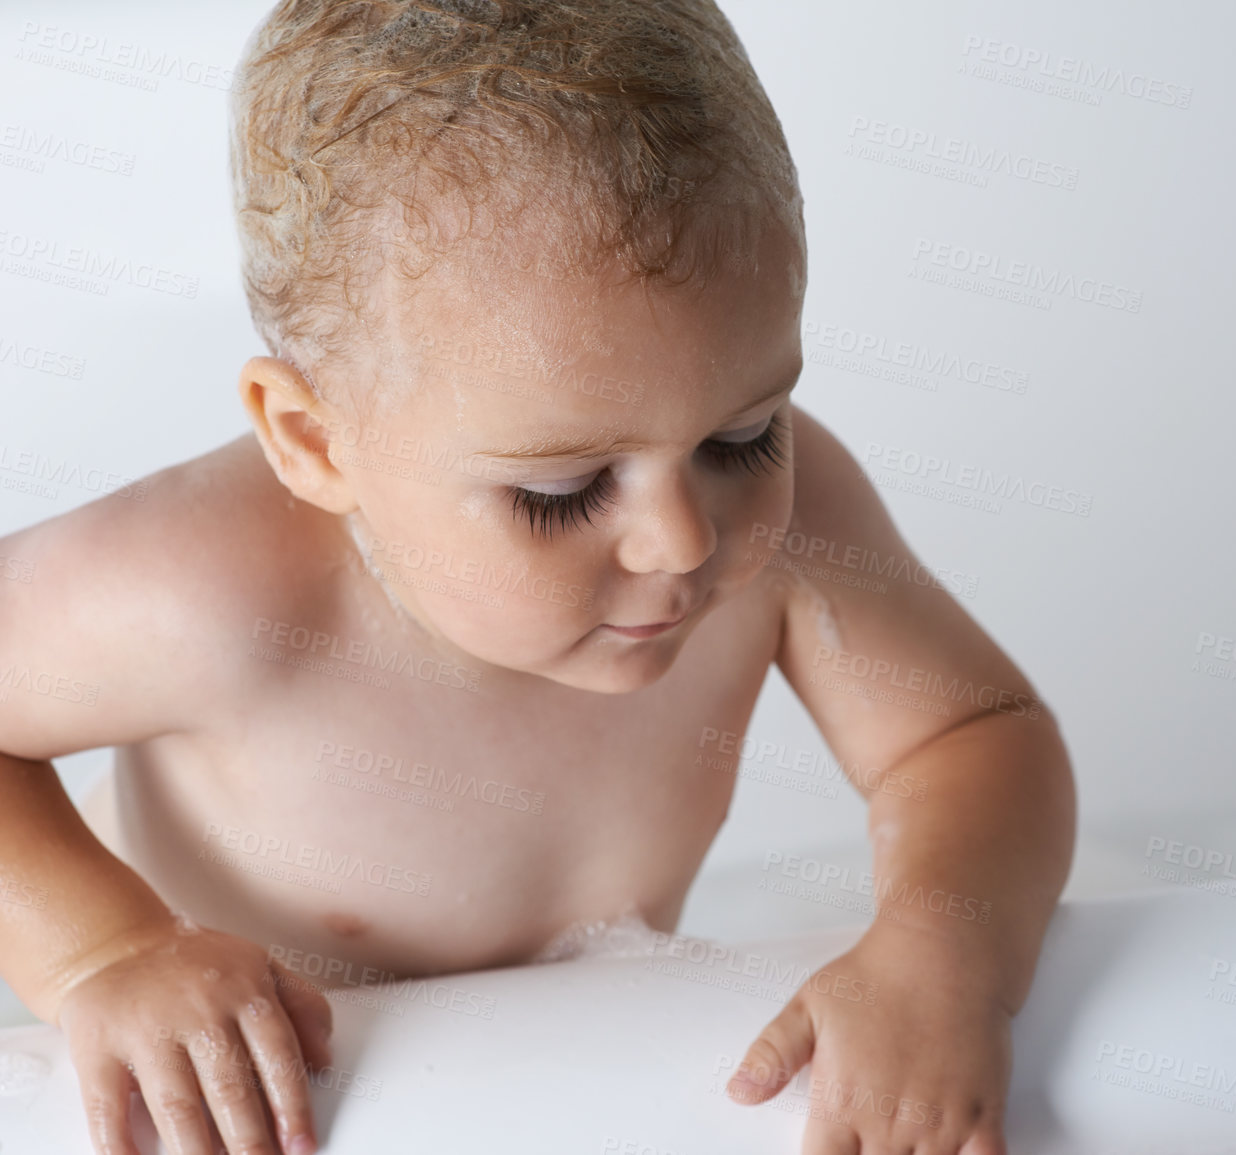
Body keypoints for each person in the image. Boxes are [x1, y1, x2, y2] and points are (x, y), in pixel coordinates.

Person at [0, 2, 1075, 1152]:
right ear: (316, 443)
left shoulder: (802, 530)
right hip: (254, 1091)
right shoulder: (207, 591)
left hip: (563, 1060)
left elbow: (971, 732)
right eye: (561, 494)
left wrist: (942, 951)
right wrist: (102, 952)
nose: (682, 541)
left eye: (746, 435)